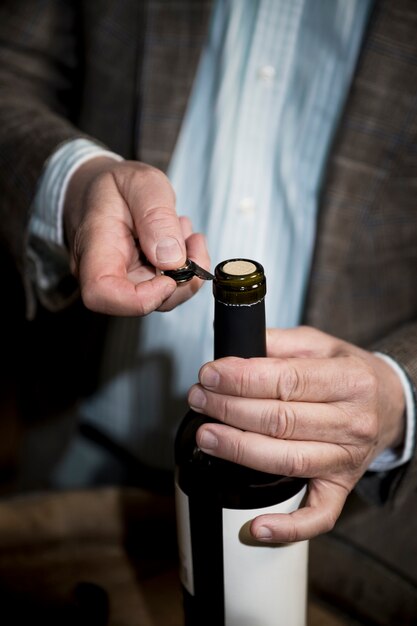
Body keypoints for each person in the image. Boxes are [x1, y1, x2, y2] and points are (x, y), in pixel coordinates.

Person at [0, 0, 416, 621]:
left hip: (349, 527)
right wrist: (77, 183)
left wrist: (403, 387)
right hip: (80, 450)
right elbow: (12, 68)